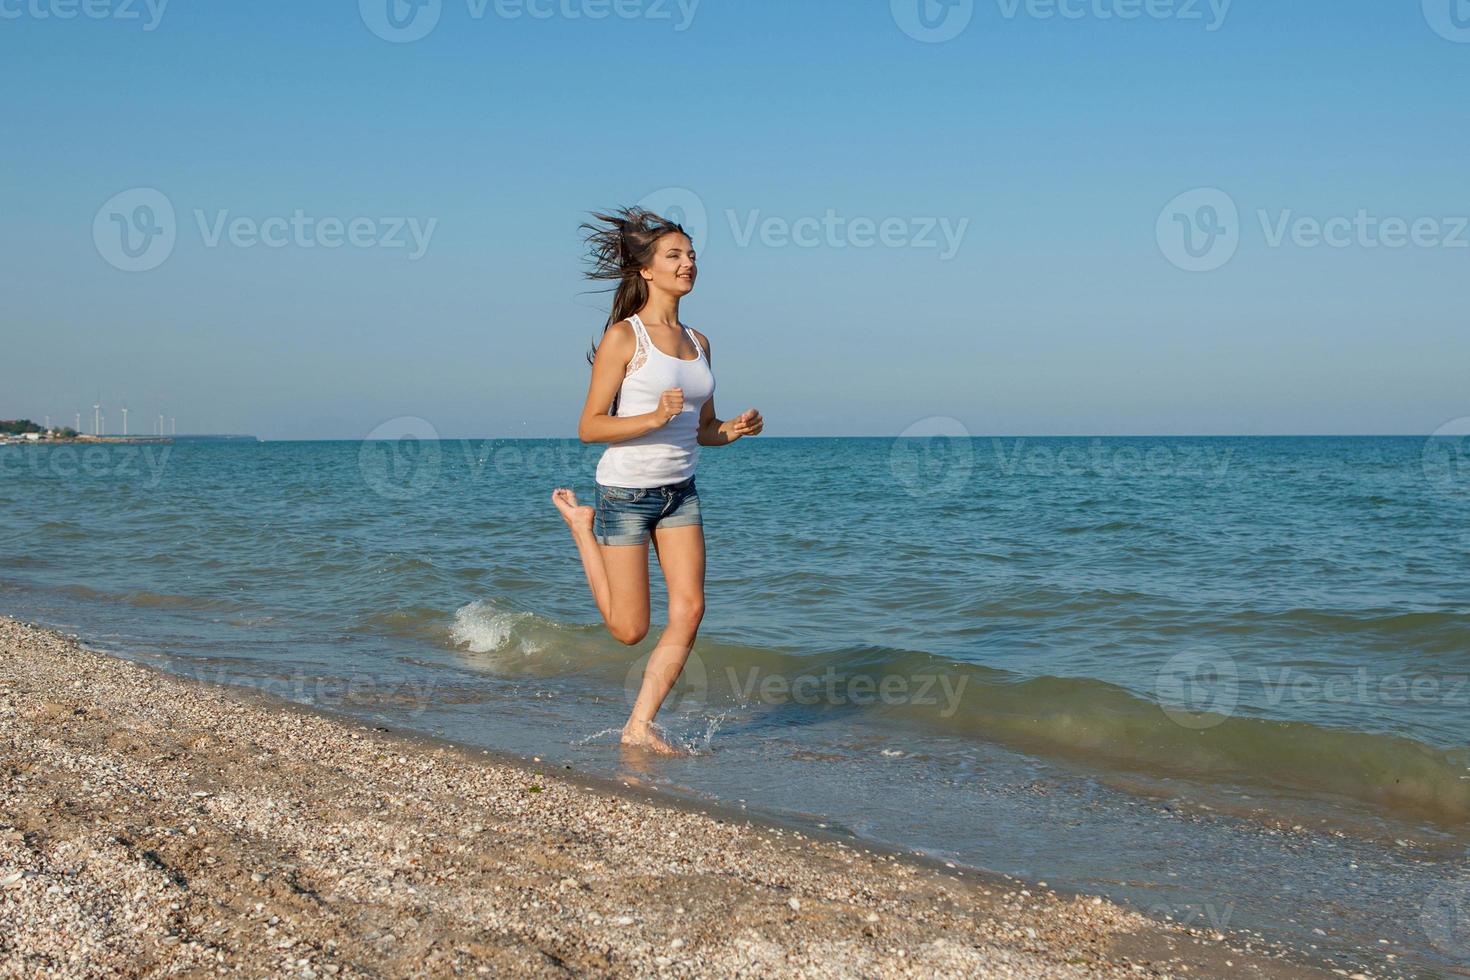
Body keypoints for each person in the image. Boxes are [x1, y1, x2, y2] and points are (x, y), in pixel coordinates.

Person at [551, 207, 763, 755]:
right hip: (625, 494)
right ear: (645, 270)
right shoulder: (625, 338)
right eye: (674, 255)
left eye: (691, 255)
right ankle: (581, 527)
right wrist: (652, 417)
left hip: (680, 492)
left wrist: (732, 430)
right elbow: (588, 427)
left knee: (690, 609)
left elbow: (705, 428)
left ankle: (639, 724)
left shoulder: (700, 341)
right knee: (629, 630)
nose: (687, 263)